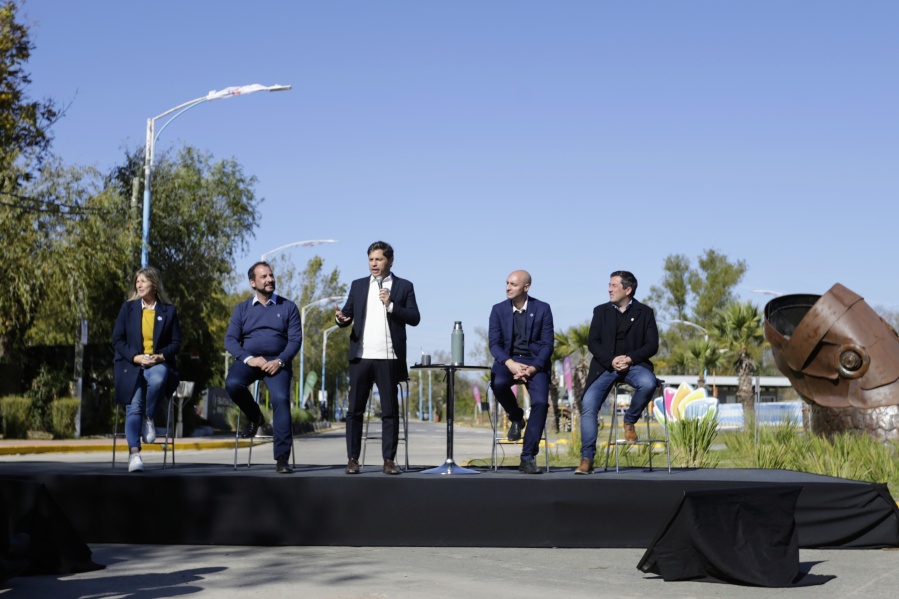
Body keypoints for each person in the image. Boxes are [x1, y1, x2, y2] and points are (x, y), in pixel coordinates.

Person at [335, 241, 420, 475]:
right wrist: (341, 319)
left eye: (379, 259)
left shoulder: (404, 286)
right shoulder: (358, 285)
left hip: (389, 357)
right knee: (355, 411)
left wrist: (391, 305)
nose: (374, 264)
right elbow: (347, 314)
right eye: (371, 259)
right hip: (361, 357)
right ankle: (353, 459)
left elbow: (414, 317)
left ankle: (389, 460)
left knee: (389, 411)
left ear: (390, 261)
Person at [576, 270, 659, 475]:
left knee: (648, 383)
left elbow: (652, 345)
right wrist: (611, 360)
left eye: (614, 285)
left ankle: (629, 420)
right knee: (588, 405)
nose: (609, 289)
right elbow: (593, 343)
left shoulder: (645, 312)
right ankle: (587, 458)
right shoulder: (600, 311)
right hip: (605, 367)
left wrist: (629, 358)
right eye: (609, 285)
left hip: (634, 365)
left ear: (628, 289)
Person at [225, 262, 302, 474]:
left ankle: (282, 458)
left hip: (277, 363)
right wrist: (249, 359)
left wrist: (280, 361)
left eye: (271, 275)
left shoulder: (288, 307)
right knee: (232, 384)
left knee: (281, 399)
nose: (269, 279)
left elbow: (295, 340)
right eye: (264, 277)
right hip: (250, 361)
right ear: (253, 283)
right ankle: (255, 416)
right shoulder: (242, 309)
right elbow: (230, 340)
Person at [112, 267, 181, 473]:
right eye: (137, 281)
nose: (139, 284)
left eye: (143, 281)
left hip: (156, 363)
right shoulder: (128, 308)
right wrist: (135, 357)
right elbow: (117, 340)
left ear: (154, 284)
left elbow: (176, 343)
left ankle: (148, 417)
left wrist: (160, 356)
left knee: (160, 377)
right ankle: (134, 454)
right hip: (131, 364)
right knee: (134, 405)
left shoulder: (168, 311)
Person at [488, 270, 554, 474]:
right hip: (508, 360)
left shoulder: (543, 308)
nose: (508, 287)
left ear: (526, 287)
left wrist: (533, 368)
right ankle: (516, 416)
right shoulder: (498, 310)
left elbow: (547, 345)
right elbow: (494, 344)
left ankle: (527, 457)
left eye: (513, 284)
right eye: (507, 283)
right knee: (498, 383)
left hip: (535, 362)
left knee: (541, 403)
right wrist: (510, 364)